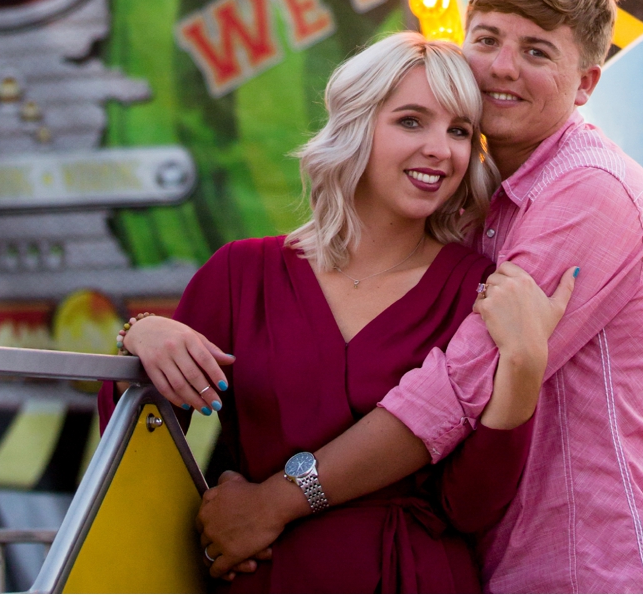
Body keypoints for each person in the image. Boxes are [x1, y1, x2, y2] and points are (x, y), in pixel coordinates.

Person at [197, 0, 643, 591]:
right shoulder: (478, 212)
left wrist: (275, 504)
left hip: (593, 567)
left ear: (586, 84)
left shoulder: (589, 192)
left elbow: (457, 392)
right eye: (487, 39)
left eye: (538, 52)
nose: (501, 67)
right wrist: (143, 333)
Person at [118, 33, 571, 589]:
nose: (441, 149)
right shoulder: (241, 274)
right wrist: (140, 337)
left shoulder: (475, 288)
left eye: (459, 131)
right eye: (411, 121)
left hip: (413, 578)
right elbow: (134, 453)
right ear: (357, 127)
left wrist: (524, 367)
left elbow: (471, 506)